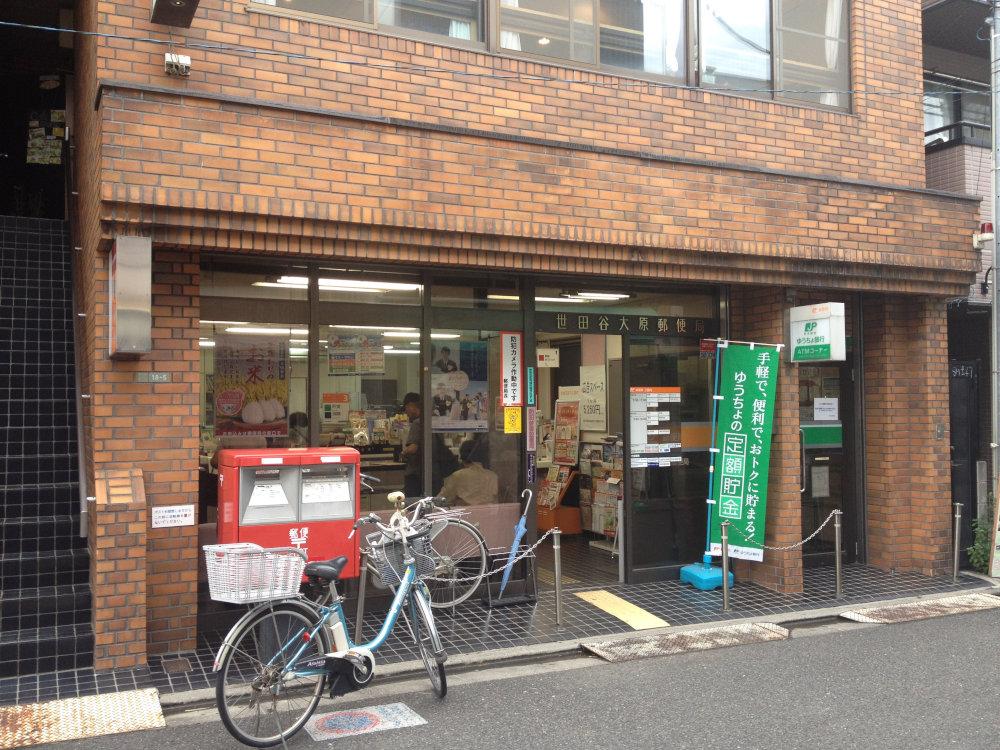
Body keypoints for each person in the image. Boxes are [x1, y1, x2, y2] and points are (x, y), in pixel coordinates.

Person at [439, 439, 499, 506]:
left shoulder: (457, 476)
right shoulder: (493, 476)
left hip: (466, 515)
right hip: (490, 515)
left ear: (462, 457)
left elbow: (441, 500)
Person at [401, 392, 423, 498]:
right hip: (432, 473)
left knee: (412, 505)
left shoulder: (417, 423)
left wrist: (403, 452)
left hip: (415, 474)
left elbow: (413, 448)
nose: (406, 412)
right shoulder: (432, 421)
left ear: (411, 406)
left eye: (406, 408)